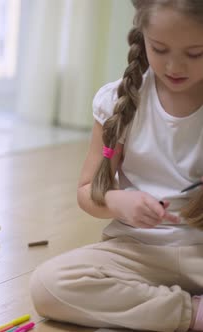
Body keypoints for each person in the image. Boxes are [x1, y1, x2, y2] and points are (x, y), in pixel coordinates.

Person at [29, 0, 203, 331]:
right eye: (160, 48)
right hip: (139, 251)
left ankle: (149, 307)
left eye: (195, 53)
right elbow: (86, 191)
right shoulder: (119, 102)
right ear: (142, 35)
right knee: (48, 285)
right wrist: (117, 201)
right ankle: (190, 313)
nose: (175, 66)